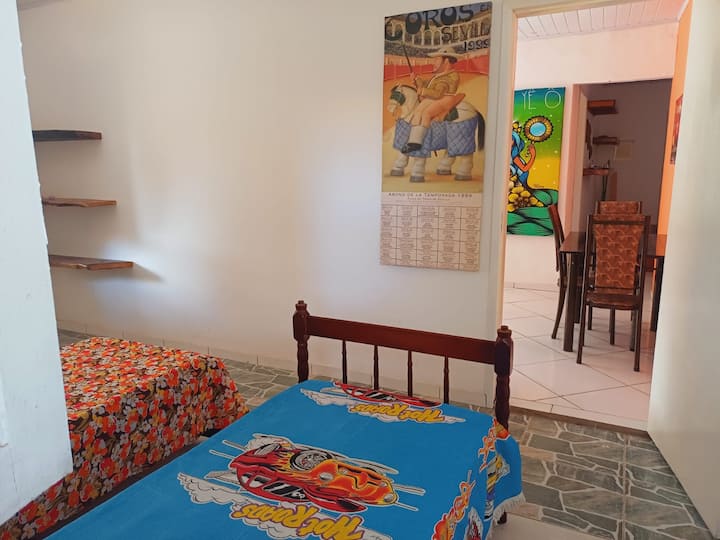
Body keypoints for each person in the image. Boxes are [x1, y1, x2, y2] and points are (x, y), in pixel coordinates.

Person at [401, 45, 466, 154]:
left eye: (437, 59)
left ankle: (422, 141)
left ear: (446, 61)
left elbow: (438, 93)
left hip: (446, 99)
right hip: (436, 98)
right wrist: (417, 80)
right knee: (418, 110)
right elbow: (428, 85)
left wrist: (422, 91)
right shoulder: (439, 75)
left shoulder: (451, 76)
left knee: (427, 113)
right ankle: (414, 141)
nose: (434, 62)